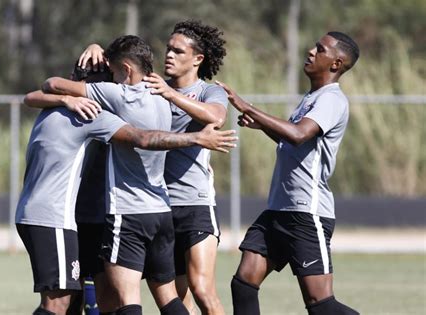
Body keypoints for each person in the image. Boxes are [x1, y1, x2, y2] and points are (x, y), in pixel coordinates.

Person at [18, 35, 237, 315]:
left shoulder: (102, 105)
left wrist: (195, 136)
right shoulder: (157, 96)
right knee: (164, 296)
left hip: (120, 213)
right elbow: (36, 95)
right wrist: (96, 49)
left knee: (116, 298)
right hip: (156, 208)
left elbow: (44, 89)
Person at [79, 20, 228, 315]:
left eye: (177, 51)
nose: (169, 55)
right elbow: (126, 67)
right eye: (168, 49)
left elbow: (217, 117)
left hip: (195, 203)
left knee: (201, 288)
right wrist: (100, 50)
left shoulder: (208, 92)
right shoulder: (150, 87)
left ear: (198, 59)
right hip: (160, 205)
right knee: (174, 296)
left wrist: (172, 95)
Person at [216, 31, 360, 315]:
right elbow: (294, 143)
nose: (310, 51)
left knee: (321, 305)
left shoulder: (331, 100)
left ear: (336, 63)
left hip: (307, 213)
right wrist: (262, 126)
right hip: (279, 209)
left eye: (320, 49)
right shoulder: (312, 97)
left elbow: (297, 134)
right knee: (244, 282)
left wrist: (249, 107)